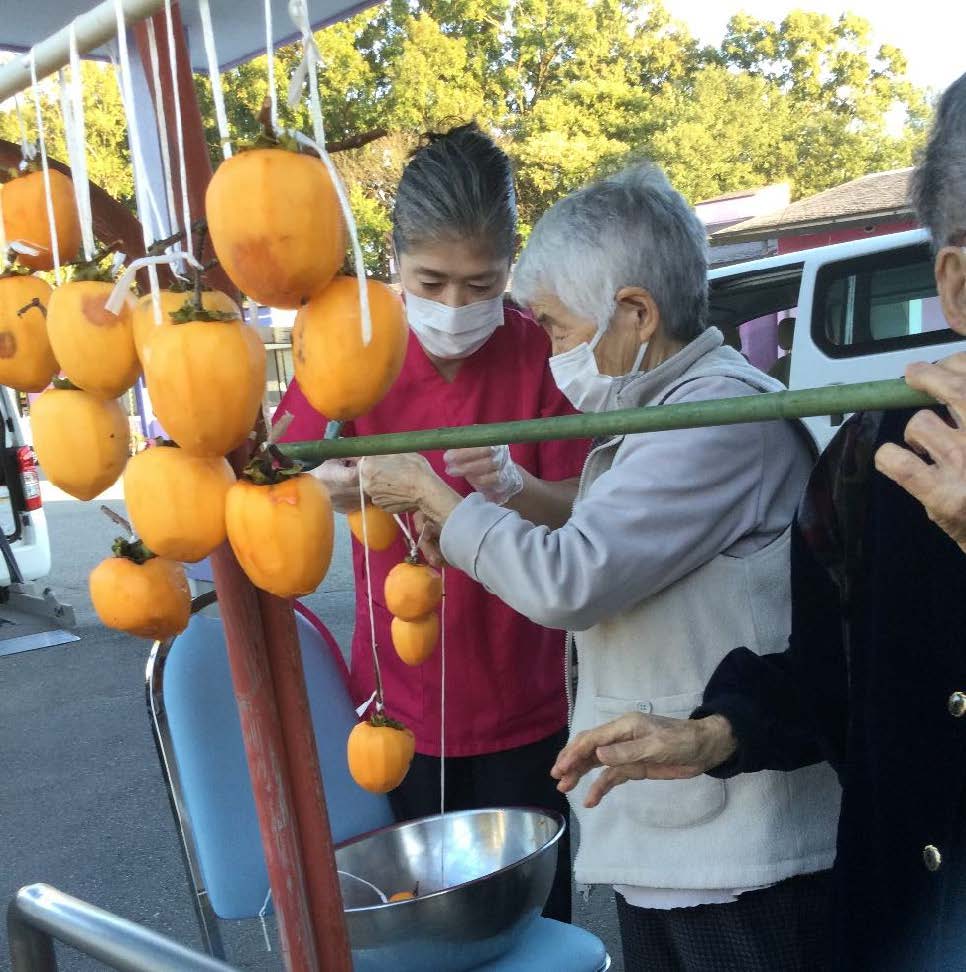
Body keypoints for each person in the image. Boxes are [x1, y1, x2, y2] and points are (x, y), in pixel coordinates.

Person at [360, 162, 841, 971]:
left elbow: (571, 577)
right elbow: (609, 528)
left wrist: (433, 496)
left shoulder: (713, 423)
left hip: (734, 845)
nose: (547, 349)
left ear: (636, 313)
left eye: (554, 326)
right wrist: (509, 493)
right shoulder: (661, 415)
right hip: (676, 824)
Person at [551, 73, 966, 971]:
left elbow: (570, 573)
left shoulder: (725, 415)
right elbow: (834, 674)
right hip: (902, 920)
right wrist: (714, 732)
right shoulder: (881, 457)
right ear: (958, 285)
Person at [274, 122, 587, 923]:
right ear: (394, 262)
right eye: (434, 280)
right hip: (395, 706)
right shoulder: (351, 347)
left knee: (532, 924)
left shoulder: (538, 352)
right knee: (418, 921)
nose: (456, 307)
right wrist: (327, 484)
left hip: (529, 698)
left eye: (483, 285)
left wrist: (518, 487)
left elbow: (587, 501)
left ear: (510, 270)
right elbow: (274, 471)